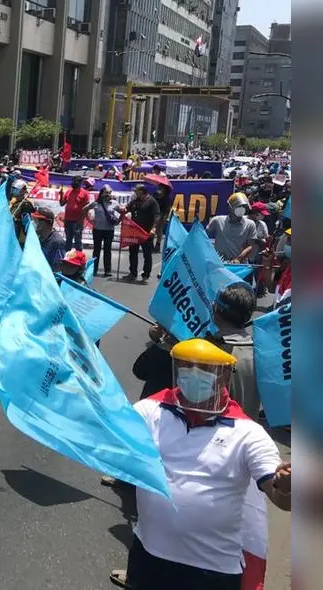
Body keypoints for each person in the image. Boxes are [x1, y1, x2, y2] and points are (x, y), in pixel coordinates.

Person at [109, 339, 291, 590]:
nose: (194, 376)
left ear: (224, 377)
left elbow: (279, 494)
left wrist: (286, 485)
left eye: (205, 370)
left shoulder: (248, 433)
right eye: (187, 368)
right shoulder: (150, 410)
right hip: (149, 556)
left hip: (212, 571)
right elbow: (112, 439)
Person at [118, 184, 161, 283]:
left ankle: (146, 274)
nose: (135, 192)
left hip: (146, 232)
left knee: (147, 254)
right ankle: (132, 273)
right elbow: (126, 208)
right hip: (134, 232)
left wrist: (154, 228)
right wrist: (122, 209)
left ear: (142, 191)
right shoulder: (135, 201)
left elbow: (157, 216)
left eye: (136, 190)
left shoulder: (152, 201)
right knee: (133, 252)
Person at [206, 195, 257, 263]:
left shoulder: (250, 224)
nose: (241, 209)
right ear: (230, 207)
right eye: (239, 206)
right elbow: (203, 236)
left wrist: (238, 259)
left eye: (243, 207)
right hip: (219, 264)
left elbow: (250, 246)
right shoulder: (217, 220)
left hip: (239, 265)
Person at [89, 185, 120, 277]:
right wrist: (90, 220)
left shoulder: (114, 203)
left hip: (109, 230)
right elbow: (85, 209)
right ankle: (94, 269)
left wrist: (119, 221)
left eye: (109, 193)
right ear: (102, 193)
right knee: (96, 250)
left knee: (107, 250)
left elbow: (123, 211)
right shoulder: (95, 203)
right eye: (106, 192)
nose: (108, 194)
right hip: (97, 230)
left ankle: (107, 270)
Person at [60, 175, 92, 250]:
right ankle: (67, 258)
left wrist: (81, 220)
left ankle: (79, 259)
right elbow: (62, 203)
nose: (73, 183)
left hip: (78, 221)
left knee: (77, 241)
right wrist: (61, 195)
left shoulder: (85, 193)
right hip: (68, 220)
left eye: (76, 182)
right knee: (68, 241)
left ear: (80, 183)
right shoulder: (68, 191)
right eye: (73, 181)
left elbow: (86, 208)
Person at [8, 179, 36, 245]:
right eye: (12, 188)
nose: (13, 190)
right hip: (10, 233)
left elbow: (27, 224)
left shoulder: (26, 204)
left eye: (15, 188)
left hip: (19, 236)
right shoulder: (13, 202)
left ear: (22, 191)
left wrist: (16, 220)